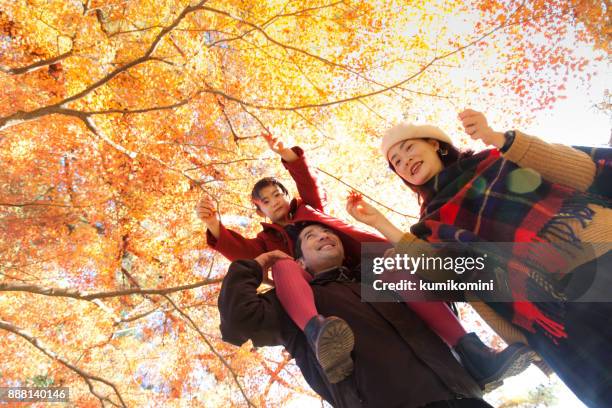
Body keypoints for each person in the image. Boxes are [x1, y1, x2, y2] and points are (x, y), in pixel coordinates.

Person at [199, 134, 531, 387]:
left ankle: (473, 352)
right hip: (313, 286)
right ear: (260, 210)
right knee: (283, 264)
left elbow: (306, 181)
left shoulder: (309, 209)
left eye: (277, 195)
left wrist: (285, 153)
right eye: (265, 201)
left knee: (398, 270)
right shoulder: (266, 240)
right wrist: (214, 224)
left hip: (358, 267)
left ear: (287, 197)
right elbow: (241, 252)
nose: (274, 202)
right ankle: (319, 334)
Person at [347, 109, 612, 407]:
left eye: (408, 148)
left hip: (598, 262)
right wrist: (381, 224)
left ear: (436, 144)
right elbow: (450, 275)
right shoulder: (429, 225)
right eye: (396, 162)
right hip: (552, 321)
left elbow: (582, 171)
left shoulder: (496, 160)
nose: (404, 161)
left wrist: (498, 138)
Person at [218, 223, 496, 408]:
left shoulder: (380, 281)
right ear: (299, 261)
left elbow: (448, 296)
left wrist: (412, 258)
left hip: (464, 395)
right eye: (310, 237)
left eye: (327, 233)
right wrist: (255, 265)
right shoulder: (292, 303)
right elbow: (238, 321)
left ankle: (476, 352)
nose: (324, 236)